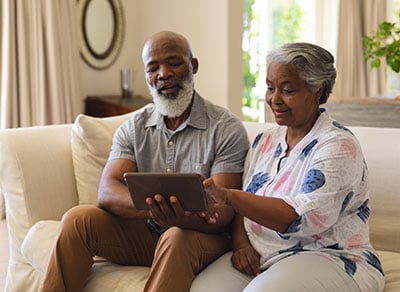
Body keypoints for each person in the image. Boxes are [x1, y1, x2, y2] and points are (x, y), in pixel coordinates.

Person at [40, 31, 250, 292]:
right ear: (148, 76)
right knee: (78, 219)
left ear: (193, 66)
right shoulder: (133, 128)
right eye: (153, 68)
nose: (164, 74)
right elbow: (107, 192)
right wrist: (155, 210)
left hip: (202, 238)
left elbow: (223, 211)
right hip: (146, 231)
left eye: (174, 63)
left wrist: (180, 218)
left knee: (176, 236)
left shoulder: (226, 128)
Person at [192, 42, 385, 292]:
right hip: (266, 256)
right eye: (270, 88)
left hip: (330, 257)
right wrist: (241, 244)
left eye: (287, 90)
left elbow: (297, 219)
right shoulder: (265, 141)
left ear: (318, 89)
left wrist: (228, 196)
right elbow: (247, 203)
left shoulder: (338, 145)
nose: (274, 99)